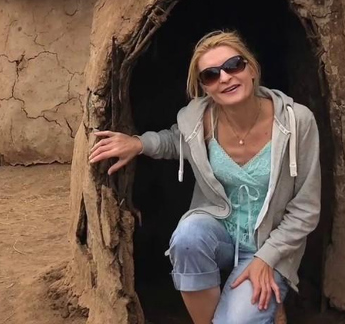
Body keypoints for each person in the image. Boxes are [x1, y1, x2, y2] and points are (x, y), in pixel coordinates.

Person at [88, 31, 320, 324]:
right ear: (205, 88)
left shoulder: (296, 122)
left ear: (251, 69)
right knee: (187, 237)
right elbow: (175, 140)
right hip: (219, 234)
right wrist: (138, 143)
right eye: (211, 75)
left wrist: (267, 258)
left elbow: (306, 209)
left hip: (269, 243)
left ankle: (268, 302)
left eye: (234, 65)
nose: (225, 77)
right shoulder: (200, 121)